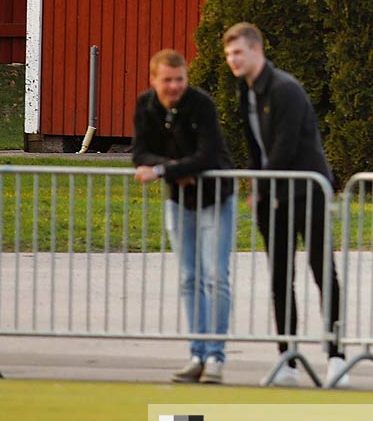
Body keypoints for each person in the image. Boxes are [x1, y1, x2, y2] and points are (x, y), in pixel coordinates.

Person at [222, 22, 344, 387]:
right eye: (229, 55)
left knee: (323, 271)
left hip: (308, 190)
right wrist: (259, 187)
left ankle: (337, 356)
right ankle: (287, 358)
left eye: (239, 52)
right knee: (280, 277)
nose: (233, 60)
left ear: (257, 50)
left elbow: (287, 146)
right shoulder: (247, 93)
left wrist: (260, 185)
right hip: (273, 196)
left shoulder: (285, 89)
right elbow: (257, 149)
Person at [131, 48, 235, 385]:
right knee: (189, 277)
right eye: (167, 80)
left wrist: (163, 169)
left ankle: (216, 357)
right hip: (179, 200)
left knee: (216, 276)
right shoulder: (146, 105)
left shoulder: (201, 104)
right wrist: (176, 172)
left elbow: (206, 155)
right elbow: (139, 154)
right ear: (154, 80)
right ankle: (197, 353)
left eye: (179, 79)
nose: (174, 86)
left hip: (215, 198)